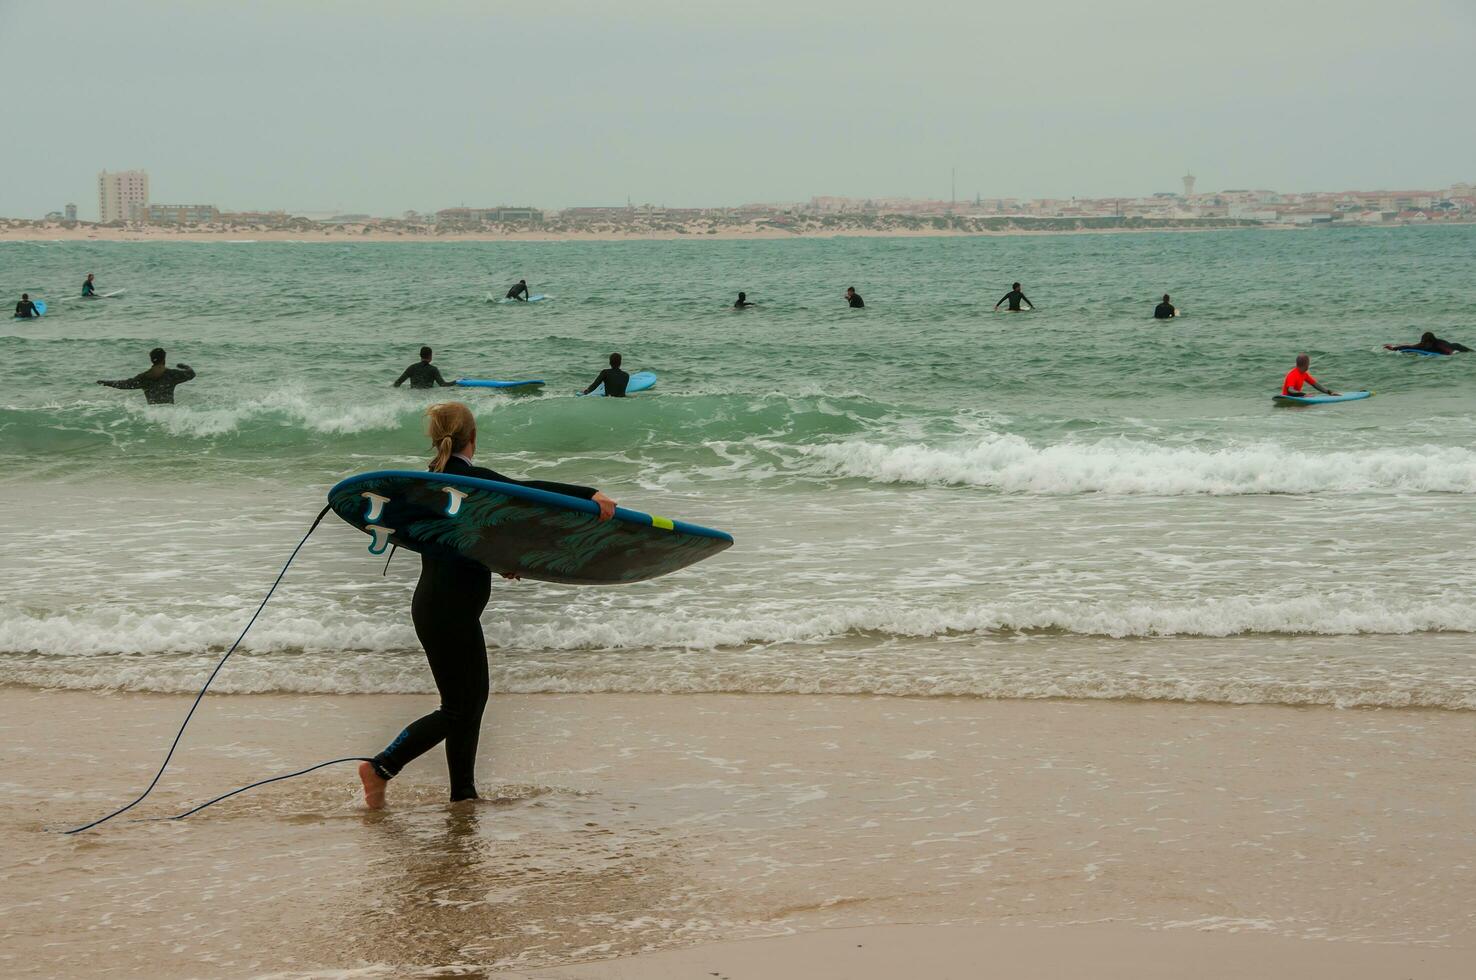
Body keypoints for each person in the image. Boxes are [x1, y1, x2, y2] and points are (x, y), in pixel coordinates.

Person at [357, 401, 618, 809]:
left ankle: (463, 794)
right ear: (473, 439)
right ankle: (381, 767)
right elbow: (529, 492)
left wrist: (497, 562)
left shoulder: (431, 485)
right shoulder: (470, 482)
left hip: (440, 605)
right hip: (448, 610)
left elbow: (458, 544)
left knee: (465, 704)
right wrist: (589, 494)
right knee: (461, 707)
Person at [96, 347, 196, 404]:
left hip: (152, 414)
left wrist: (106, 382)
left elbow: (124, 384)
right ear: (164, 360)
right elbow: (191, 374)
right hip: (169, 414)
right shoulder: (172, 374)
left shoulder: (144, 377)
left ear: (151, 360)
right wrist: (184, 366)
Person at [1384, 331, 1471, 355]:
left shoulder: (1438, 344)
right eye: (1424, 342)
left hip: (1456, 347)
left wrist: (1451, 353)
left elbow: (1448, 351)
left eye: (1426, 342)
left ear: (1431, 341)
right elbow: (1410, 347)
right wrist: (1393, 348)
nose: (1425, 344)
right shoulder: (1422, 345)